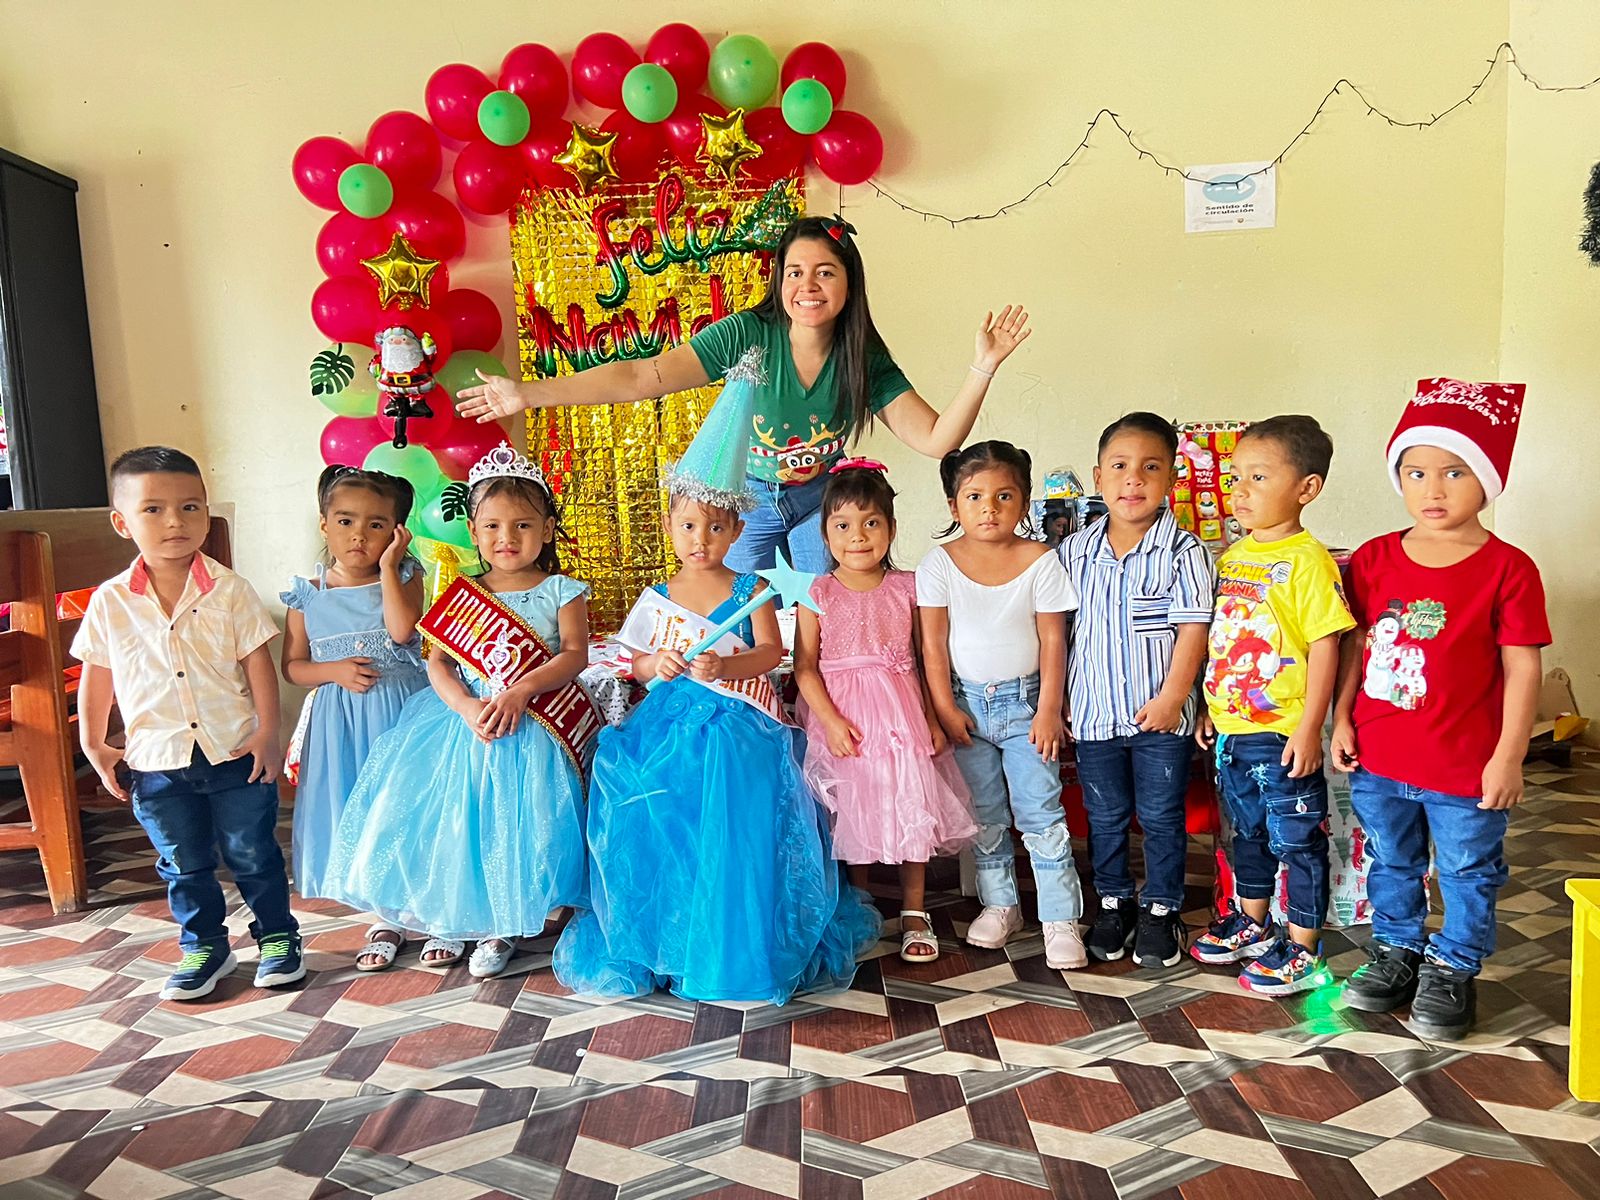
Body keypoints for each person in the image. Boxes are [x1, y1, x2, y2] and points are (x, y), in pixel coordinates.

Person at [554, 352, 881, 1002]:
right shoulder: (657, 596)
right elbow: (629, 662)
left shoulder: (752, 587)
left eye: (714, 526)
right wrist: (655, 663)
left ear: (735, 528)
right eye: (687, 525)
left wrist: (726, 665)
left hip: (739, 721)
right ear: (669, 526)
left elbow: (770, 655)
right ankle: (670, 936)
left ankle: (733, 941)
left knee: (736, 822)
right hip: (667, 724)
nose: (699, 538)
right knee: (655, 808)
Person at [455, 215, 1032, 572]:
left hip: (819, 503)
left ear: (848, 284)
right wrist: (528, 394)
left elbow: (935, 440)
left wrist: (982, 367)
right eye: (795, 271)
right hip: (746, 502)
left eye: (825, 272)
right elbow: (642, 378)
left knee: (818, 622)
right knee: (741, 623)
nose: (808, 285)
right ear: (779, 280)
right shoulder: (747, 334)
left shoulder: (862, 356)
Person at [322, 446, 590, 980]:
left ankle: (502, 924)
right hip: (462, 725)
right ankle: (448, 915)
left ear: (547, 530)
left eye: (522, 525)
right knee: (455, 823)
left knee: (515, 826)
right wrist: (466, 706)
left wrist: (521, 691)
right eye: (492, 526)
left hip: (532, 723)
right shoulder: (462, 593)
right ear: (473, 531)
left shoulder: (562, 590)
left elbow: (574, 654)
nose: (506, 537)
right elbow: (438, 663)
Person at [1332, 379, 1547, 1039]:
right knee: (1391, 861)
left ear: (1488, 480)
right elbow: (1355, 644)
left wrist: (1509, 756)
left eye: (1455, 472)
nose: (1433, 489)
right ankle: (1397, 949)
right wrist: (1340, 718)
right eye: (1416, 472)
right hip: (1380, 757)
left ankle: (1454, 964)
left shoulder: (1509, 569)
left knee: (1466, 869)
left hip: (1466, 768)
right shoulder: (1373, 558)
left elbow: (1523, 666)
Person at [74, 446, 300, 1001]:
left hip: (234, 751)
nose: (175, 521)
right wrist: (93, 743)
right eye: (153, 509)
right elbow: (98, 675)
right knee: (182, 861)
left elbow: (258, 664)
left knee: (252, 851)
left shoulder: (230, 590)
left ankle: (277, 936)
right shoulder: (109, 601)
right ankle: (204, 946)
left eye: (190, 507)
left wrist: (268, 732)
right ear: (122, 523)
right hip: (155, 760)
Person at [1191, 416, 1354, 995]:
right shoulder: (1233, 558)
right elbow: (1221, 640)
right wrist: (1209, 706)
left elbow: (1327, 645)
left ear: (1307, 488)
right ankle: (1252, 923)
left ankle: (1304, 949)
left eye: (1258, 478)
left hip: (1283, 732)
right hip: (1232, 730)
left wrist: (1310, 728)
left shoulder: (1308, 560)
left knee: (1298, 841)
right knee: (1248, 834)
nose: (1240, 491)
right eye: (1236, 477)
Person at [793, 460, 976, 963]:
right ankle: (860, 905)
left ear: (891, 528)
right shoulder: (816, 593)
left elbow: (924, 658)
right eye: (843, 525)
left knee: (911, 804)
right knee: (853, 810)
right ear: (825, 534)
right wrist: (830, 721)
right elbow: (805, 667)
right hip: (843, 718)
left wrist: (934, 719)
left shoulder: (908, 587)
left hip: (901, 716)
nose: (858, 536)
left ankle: (915, 910)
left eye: (871, 522)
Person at [917, 441, 1087, 968]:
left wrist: (1049, 709)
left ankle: (1060, 917)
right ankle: (1001, 905)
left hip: (1027, 707)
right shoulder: (939, 564)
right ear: (953, 505)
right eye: (974, 497)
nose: (989, 508)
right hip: (965, 707)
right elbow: (932, 645)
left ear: (1025, 502)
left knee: (1041, 811)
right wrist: (944, 708)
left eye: (1004, 496)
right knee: (986, 814)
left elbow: (1054, 640)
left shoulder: (1041, 561)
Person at [1060, 414, 1213, 968]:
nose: (1134, 479)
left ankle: (1161, 908)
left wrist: (1174, 699)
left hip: (1161, 718)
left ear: (1171, 478)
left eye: (1150, 467)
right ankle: (1113, 902)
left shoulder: (1185, 553)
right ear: (1098, 478)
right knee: (1104, 818)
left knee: (1161, 816)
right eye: (1121, 467)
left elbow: (1193, 631)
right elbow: (1058, 632)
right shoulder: (1072, 553)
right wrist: (1060, 699)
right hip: (1094, 714)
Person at [279, 466, 427, 972]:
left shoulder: (405, 577)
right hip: (340, 723)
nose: (359, 535)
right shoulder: (306, 593)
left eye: (376, 524)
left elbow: (403, 632)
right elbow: (293, 666)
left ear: (396, 533)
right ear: (324, 524)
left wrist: (389, 567)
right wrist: (333, 671)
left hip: (400, 714)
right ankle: (384, 917)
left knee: (402, 805)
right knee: (356, 810)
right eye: (345, 521)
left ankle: (429, 907)